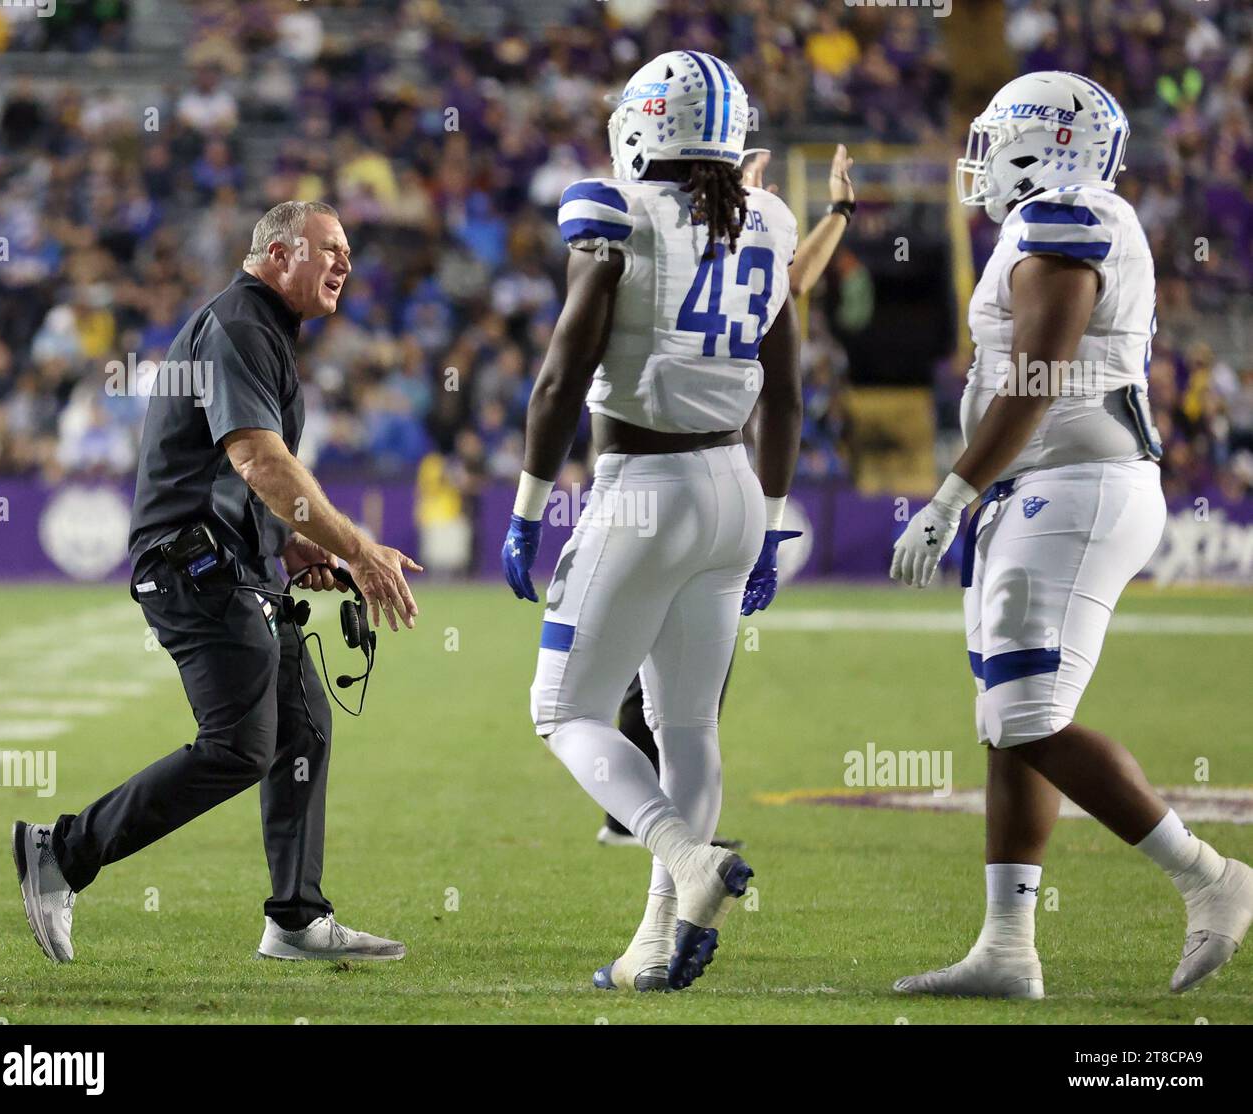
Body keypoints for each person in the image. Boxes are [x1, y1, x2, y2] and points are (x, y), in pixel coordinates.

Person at [889, 72, 1252, 998]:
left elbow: (1044, 372)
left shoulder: (1066, 215)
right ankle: (1009, 946)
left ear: (1043, 143)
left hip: (1077, 483)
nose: (976, 163)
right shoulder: (1056, 217)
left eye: (993, 140)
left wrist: (949, 495)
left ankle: (1211, 879)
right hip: (1046, 484)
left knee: (1023, 713)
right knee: (1007, 719)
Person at [14, 201, 422, 964]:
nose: (345, 264)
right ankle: (62, 851)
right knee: (240, 744)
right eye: (329, 248)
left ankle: (296, 917)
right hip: (193, 568)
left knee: (303, 727)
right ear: (275, 250)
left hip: (236, 563)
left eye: (348, 253)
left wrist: (294, 544)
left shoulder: (256, 328)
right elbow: (258, 461)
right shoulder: (240, 323)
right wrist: (359, 547)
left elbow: (237, 481)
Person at [501, 52, 802, 992]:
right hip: (735, 486)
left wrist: (524, 506)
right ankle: (657, 940)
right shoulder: (770, 219)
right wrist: (777, 517)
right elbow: (788, 392)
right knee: (686, 728)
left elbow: (559, 376)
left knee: (563, 708)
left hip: (642, 485)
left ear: (644, 124)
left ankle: (686, 855)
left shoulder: (615, 213)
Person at [595, 145, 857, 850]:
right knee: (658, 662)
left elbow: (791, 281)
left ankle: (649, 816)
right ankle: (644, 815)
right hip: (695, 460)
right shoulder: (688, 235)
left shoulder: (698, 231)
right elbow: (789, 289)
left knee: (667, 656)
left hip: (681, 461)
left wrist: (837, 213)